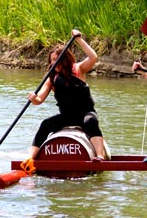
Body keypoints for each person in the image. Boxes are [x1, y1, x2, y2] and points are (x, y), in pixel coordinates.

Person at [25, 29, 106, 162]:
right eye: (52, 60)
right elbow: (39, 99)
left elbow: (93, 57)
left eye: (57, 60)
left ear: (65, 59)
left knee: (91, 121)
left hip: (85, 113)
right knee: (45, 124)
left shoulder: (78, 69)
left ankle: (100, 156)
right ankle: (30, 158)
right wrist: (33, 98)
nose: (53, 63)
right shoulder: (51, 79)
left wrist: (79, 39)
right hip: (67, 117)